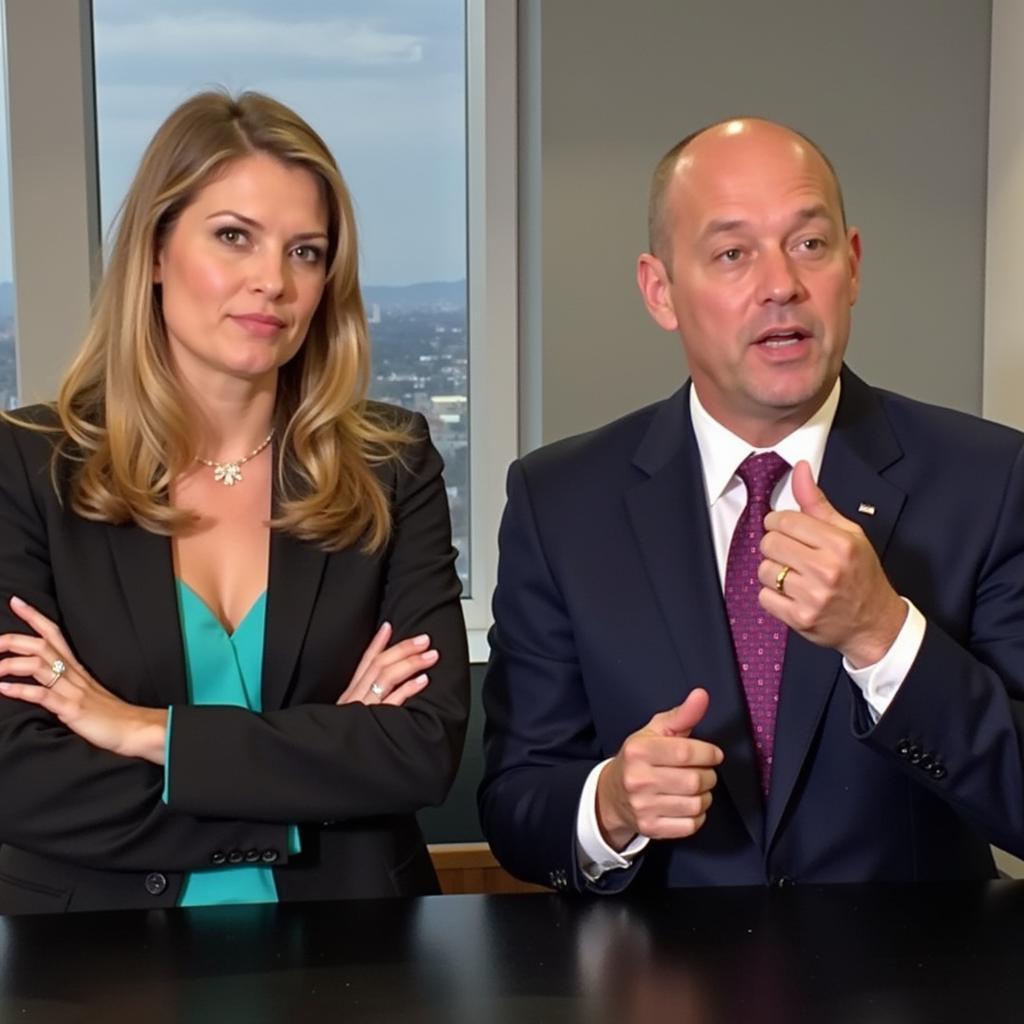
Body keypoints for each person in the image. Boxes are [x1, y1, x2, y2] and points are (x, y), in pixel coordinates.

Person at [479, 117, 1024, 893]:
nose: (781, 285)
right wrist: (609, 804)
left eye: (809, 244)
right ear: (660, 291)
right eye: (733, 254)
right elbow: (514, 802)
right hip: (657, 998)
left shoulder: (991, 480)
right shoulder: (560, 501)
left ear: (854, 265)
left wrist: (882, 635)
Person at [0, 91, 469, 913]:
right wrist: (307, 794)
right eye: (232, 237)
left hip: (355, 951)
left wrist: (147, 732)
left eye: (306, 251)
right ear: (153, 250)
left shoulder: (390, 465)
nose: (272, 283)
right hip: (91, 962)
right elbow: (20, 773)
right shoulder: (27, 468)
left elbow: (419, 750)